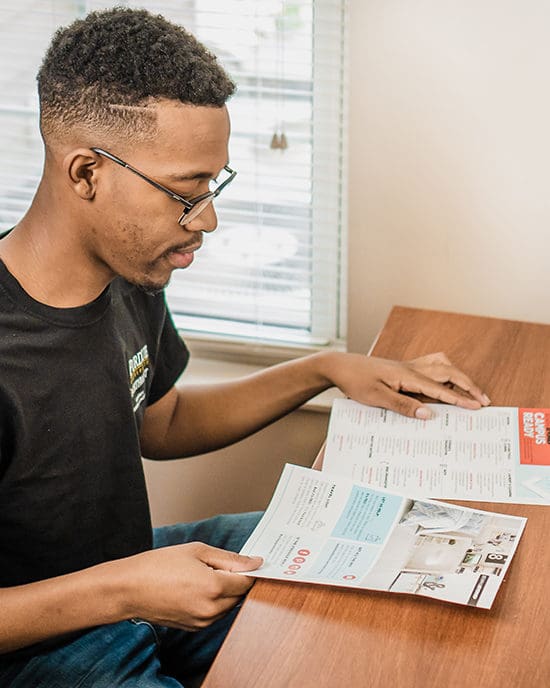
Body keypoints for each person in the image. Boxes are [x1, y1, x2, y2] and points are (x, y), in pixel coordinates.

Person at [0, 7, 490, 687]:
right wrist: (125, 590)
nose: (207, 220)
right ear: (86, 173)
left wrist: (322, 370)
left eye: (213, 184)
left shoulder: (131, 273)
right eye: (184, 192)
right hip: (42, 643)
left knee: (388, 544)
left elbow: (160, 422)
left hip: (134, 574)